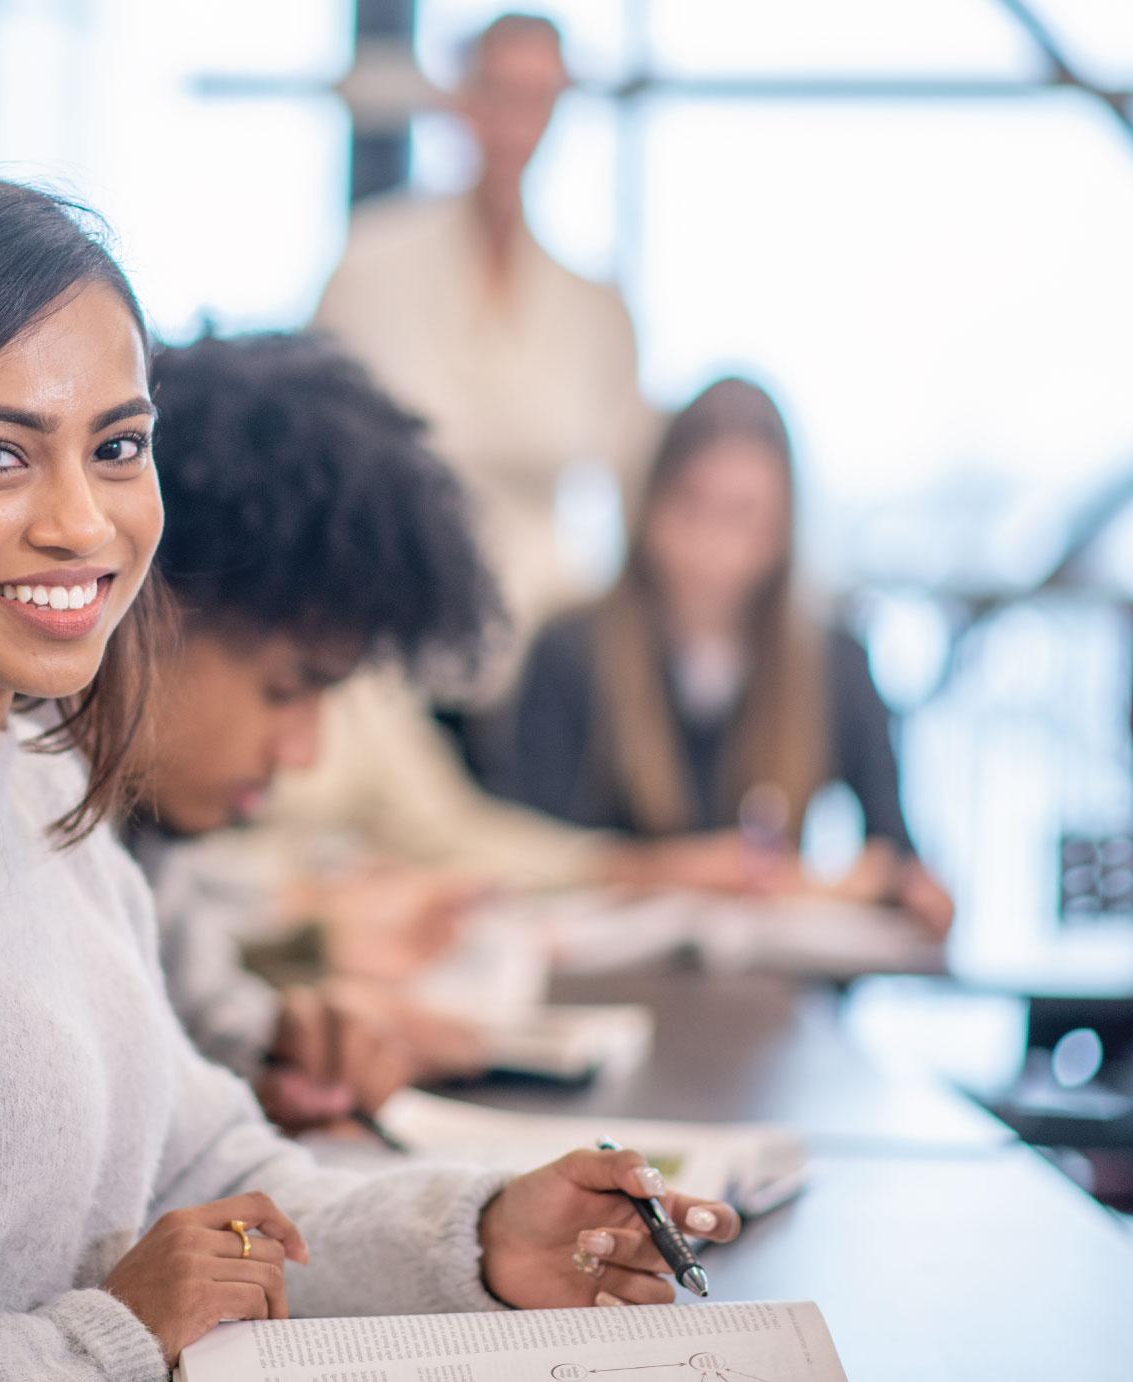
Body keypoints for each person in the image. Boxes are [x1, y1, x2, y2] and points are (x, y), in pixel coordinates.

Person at [0, 173, 738, 1380]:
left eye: (117, 446)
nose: (83, 523)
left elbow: (208, 1176)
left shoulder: (39, 786)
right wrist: (103, 1340)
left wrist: (480, 1236)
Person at [127, 332, 509, 1132]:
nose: (303, 753)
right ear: (150, 602)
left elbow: (199, 1017)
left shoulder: (147, 847)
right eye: (286, 690)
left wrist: (267, 1058)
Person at [508, 377, 955, 936]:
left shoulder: (833, 660)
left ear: (780, 530)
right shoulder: (570, 653)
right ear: (649, 508)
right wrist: (681, 873)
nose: (710, 545)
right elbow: (529, 854)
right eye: (691, 506)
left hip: (780, 995)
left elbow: (896, 855)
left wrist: (903, 888)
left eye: (741, 514)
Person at [315, 11, 656, 647]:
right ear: (462, 100)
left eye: (539, 97)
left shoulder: (597, 310)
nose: (516, 122)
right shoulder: (369, 268)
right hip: (389, 627)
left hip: (543, 646)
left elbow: (639, 494)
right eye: (501, 91)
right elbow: (321, 464)